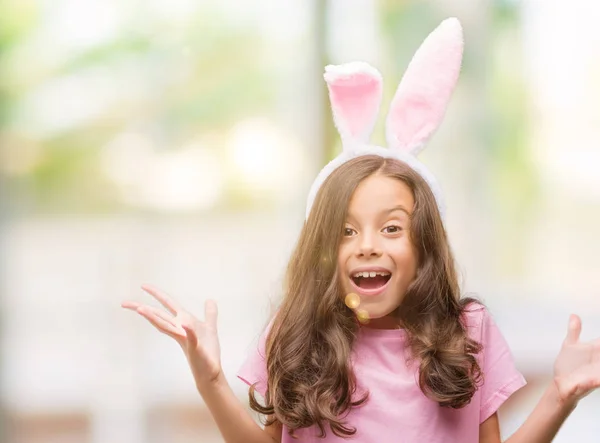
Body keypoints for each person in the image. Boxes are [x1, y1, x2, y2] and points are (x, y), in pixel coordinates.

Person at [122, 18, 600, 443]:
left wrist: (559, 397)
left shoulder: (466, 332)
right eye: (345, 232)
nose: (366, 246)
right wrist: (211, 382)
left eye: (390, 227)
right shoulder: (295, 333)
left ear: (424, 245)